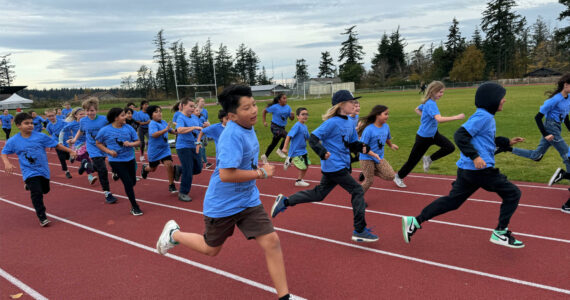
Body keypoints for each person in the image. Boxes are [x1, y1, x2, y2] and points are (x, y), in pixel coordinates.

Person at [156, 85, 291, 300]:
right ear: (232, 116)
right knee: (211, 249)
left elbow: (244, 161)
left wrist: (256, 166)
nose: (254, 110)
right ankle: (174, 234)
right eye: (247, 108)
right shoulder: (231, 135)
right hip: (223, 204)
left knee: (272, 241)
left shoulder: (248, 126)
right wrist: (260, 173)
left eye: (254, 104)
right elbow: (227, 174)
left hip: (248, 201)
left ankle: (285, 297)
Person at [402, 82, 526, 248]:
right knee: (513, 193)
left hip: (468, 170)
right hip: (479, 170)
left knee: (453, 201)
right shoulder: (483, 117)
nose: (504, 101)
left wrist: (507, 142)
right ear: (492, 100)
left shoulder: (485, 116)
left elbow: (486, 141)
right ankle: (500, 232)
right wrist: (475, 156)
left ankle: (415, 221)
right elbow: (460, 135)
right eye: (501, 98)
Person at [271, 90, 380, 243]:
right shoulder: (332, 122)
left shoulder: (349, 121)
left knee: (319, 194)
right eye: (351, 102)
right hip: (334, 165)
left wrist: (362, 147)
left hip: (340, 165)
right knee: (357, 190)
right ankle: (360, 230)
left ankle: (286, 201)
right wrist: (323, 153)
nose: (354, 104)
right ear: (342, 104)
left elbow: (351, 143)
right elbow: (313, 139)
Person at [1, 112, 76, 226]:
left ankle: (29, 185)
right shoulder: (13, 140)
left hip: (43, 170)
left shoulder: (41, 136)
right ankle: (42, 217)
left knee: (45, 190)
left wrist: (70, 150)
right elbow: (4, 152)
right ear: (18, 125)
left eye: (31, 123)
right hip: (29, 172)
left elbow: (56, 145)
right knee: (37, 193)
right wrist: (7, 163)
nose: (30, 125)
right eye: (26, 123)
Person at [394, 81, 465, 188]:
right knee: (413, 160)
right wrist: (457, 117)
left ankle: (429, 159)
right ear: (433, 91)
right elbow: (439, 119)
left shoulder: (429, 102)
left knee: (449, 147)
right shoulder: (431, 104)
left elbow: (417, 109)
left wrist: (425, 117)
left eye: (443, 92)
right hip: (423, 138)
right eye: (440, 92)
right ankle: (398, 176)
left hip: (434, 135)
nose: (442, 94)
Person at [507, 74, 570, 186]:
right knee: (567, 155)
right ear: (566, 85)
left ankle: (505, 148)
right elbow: (538, 117)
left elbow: (565, 116)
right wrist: (545, 134)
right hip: (550, 127)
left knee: (536, 156)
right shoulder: (554, 100)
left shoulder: (568, 98)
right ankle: (563, 175)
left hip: (556, 127)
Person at [95, 108, 143, 216]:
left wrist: (130, 144)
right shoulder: (105, 130)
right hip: (116, 160)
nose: (125, 117)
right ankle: (134, 206)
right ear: (115, 118)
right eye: (122, 115)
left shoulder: (128, 128)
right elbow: (98, 143)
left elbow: (139, 142)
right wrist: (109, 151)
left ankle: (116, 173)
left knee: (132, 182)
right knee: (127, 183)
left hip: (130, 158)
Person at [71, 98, 117, 203]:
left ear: (96, 110)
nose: (89, 113)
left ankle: (86, 165)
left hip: (103, 147)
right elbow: (81, 131)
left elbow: (111, 128)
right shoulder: (83, 121)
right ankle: (107, 194)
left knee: (98, 166)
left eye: (92, 110)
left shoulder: (103, 119)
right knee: (103, 170)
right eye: (87, 111)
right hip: (92, 148)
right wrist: (74, 140)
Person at [357, 105, 399, 195]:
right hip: (366, 157)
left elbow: (386, 138)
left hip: (379, 156)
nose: (388, 116)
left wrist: (391, 145)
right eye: (385, 114)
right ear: (377, 115)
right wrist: (373, 154)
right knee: (369, 181)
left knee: (391, 176)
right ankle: (357, 195)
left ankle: (367, 172)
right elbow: (363, 147)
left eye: (388, 114)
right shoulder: (368, 130)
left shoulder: (386, 126)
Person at [141, 105, 181, 193]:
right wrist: (165, 130)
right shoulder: (152, 123)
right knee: (153, 168)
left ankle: (171, 185)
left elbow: (172, 131)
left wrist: (179, 131)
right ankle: (145, 168)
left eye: (160, 111)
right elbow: (154, 134)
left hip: (165, 149)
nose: (159, 113)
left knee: (169, 164)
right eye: (156, 112)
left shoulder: (163, 122)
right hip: (154, 150)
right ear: (151, 115)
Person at [175, 97, 203, 202]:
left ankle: (179, 169)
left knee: (198, 168)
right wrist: (193, 128)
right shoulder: (180, 117)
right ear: (183, 106)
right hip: (183, 147)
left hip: (194, 146)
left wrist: (205, 126)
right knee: (188, 169)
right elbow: (179, 130)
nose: (193, 108)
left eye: (193, 106)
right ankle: (183, 192)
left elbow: (200, 127)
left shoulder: (194, 117)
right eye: (190, 106)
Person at [61, 107, 96, 184]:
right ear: (75, 115)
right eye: (81, 114)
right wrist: (60, 141)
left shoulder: (87, 122)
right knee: (86, 159)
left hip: (88, 143)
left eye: (84, 114)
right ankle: (90, 177)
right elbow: (62, 131)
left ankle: (76, 160)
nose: (83, 115)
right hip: (78, 144)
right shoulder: (72, 124)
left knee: (89, 159)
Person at [281, 107, 311, 187]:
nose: (305, 116)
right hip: (296, 151)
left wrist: (317, 142)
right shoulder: (297, 126)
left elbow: (308, 138)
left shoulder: (305, 126)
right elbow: (288, 136)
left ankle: (299, 180)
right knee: (303, 166)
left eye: (306, 114)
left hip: (303, 150)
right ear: (298, 116)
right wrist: (284, 147)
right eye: (303, 114)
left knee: (306, 165)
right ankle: (290, 161)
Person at [261, 93, 294, 163]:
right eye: (284, 98)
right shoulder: (275, 107)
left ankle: (265, 156)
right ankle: (280, 150)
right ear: (279, 100)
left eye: (286, 98)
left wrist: (292, 115)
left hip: (282, 128)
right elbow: (264, 111)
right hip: (274, 127)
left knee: (274, 143)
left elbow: (291, 119)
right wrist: (264, 121)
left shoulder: (288, 107)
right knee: (288, 135)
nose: (286, 99)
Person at [45, 109, 72, 179]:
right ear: (47, 117)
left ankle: (70, 157)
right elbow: (51, 134)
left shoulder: (62, 122)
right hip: (56, 142)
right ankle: (66, 171)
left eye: (52, 116)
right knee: (61, 158)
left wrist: (71, 137)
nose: (51, 118)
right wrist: (51, 144)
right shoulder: (48, 126)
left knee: (68, 155)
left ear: (55, 115)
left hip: (65, 140)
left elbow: (69, 128)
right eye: (49, 116)